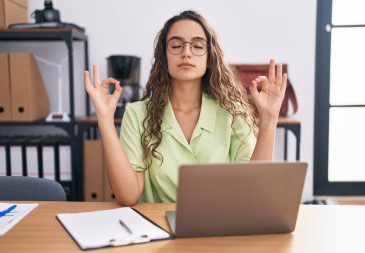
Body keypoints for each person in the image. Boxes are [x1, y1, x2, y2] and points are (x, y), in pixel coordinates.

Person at [84, 10, 287, 206]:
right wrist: (105, 119)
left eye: (198, 46)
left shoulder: (233, 112)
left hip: (221, 229)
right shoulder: (137, 114)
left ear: (209, 58)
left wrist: (269, 119)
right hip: (159, 231)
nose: (187, 53)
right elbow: (128, 196)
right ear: (164, 56)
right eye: (176, 45)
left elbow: (252, 190)